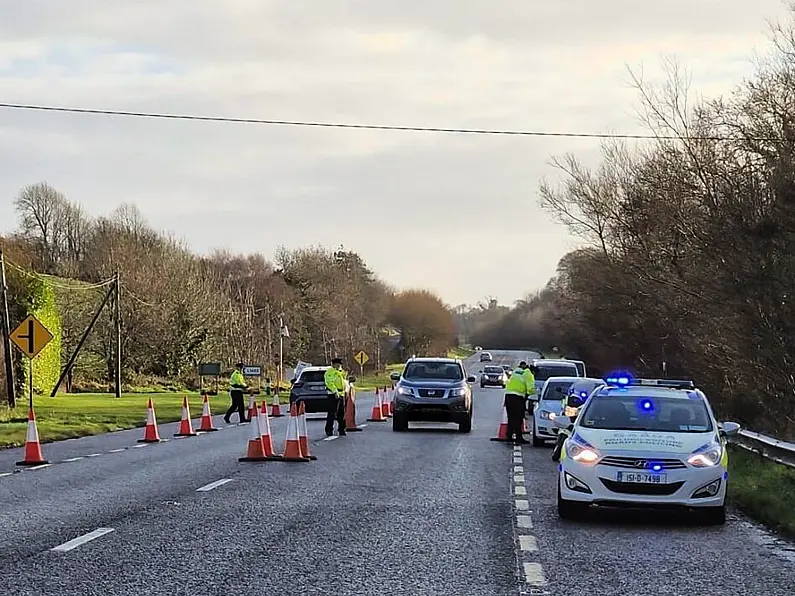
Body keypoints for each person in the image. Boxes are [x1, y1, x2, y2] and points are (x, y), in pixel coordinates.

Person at [504, 361, 535, 444]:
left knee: (511, 418)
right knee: (518, 418)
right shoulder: (528, 374)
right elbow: (530, 389)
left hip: (508, 396)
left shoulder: (516, 371)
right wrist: (534, 394)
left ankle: (509, 437)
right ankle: (518, 438)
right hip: (517, 398)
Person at [324, 357, 347, 436]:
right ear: (334, 364)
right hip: (333, 395)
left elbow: (343, 382)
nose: (339, 366)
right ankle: (329, 430)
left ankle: (342, 429)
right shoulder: (330, 372)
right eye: (338, 364)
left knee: (342, 413)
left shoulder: (340, 372)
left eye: (340, 364)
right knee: (332, 413)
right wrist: (335, 392)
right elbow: (330, 383)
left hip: (341, 394)